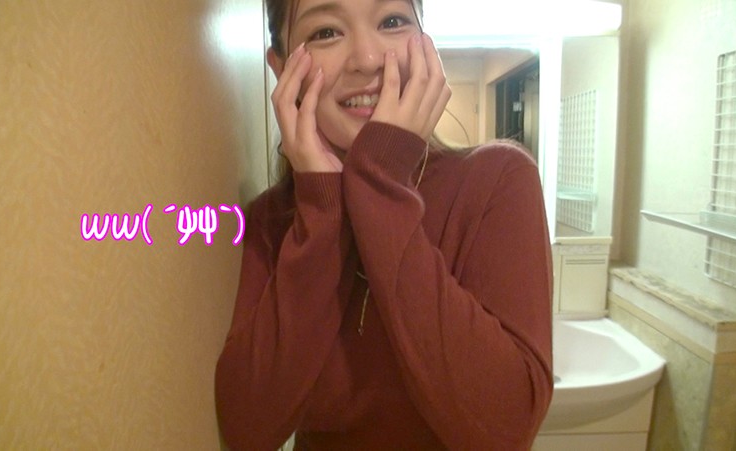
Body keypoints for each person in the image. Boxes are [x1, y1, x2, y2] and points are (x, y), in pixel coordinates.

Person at [215, 0, 553, 448]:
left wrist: (379, 184)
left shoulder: (498, 180)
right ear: (281, 68)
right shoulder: (270, 221)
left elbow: (506, 428)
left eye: (392, 21)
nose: (368, 59)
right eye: (326, 32)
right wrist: (322, 216)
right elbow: (245, 430)